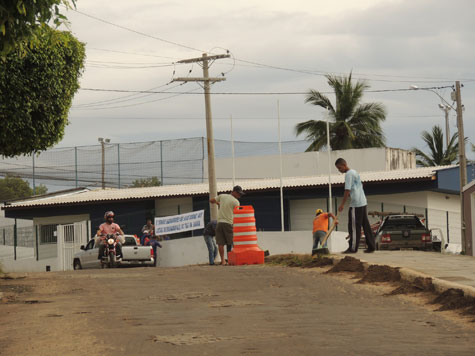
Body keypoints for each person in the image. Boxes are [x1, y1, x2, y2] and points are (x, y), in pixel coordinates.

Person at [335, 158, 375, 253]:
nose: (339, 170)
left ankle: (352, 248)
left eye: (340, 168)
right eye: (338, 168)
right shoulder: (354, 172)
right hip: (363, 202)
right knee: (365, 225)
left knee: (353, 227)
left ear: (344, 165)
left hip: (356, 204)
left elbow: (347, 190)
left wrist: (342, 204)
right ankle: (371, 246)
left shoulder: (348, 174)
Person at [209, 185, 245, 265]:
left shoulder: (222, 196)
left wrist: (219, 203)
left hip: (219, 223)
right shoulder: (236, 202)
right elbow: (237, 214)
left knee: (220, 243)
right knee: (230, 242)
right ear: (234, 192)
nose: (239, 196)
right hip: (228, 223)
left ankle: (223, 261)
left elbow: (211, 200)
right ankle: (230, 260)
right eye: (239, 194)